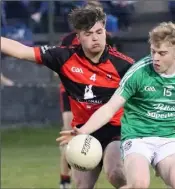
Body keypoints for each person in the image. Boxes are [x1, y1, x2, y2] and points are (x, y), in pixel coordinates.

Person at [57, 22, 175, 189]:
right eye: (153, 52)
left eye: (162, 53)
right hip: (137, 139)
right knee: (138, 185)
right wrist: (83, 131)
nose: (156, 58)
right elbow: (110, 108)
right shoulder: (138, 72)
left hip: (168, 139)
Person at [1, 6, 134, 189]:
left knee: (116, 173)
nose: (95, 38)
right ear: (78, 37)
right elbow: (22, 51)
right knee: (81, 185)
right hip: (81, 132)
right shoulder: (64, 57)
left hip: (116, 130)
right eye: (88, 34)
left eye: (99, 32)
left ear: (105, 32)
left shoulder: (124, 65)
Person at [58, 26, 116, 189]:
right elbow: (59, 65)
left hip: (100, 94)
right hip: (73, 93)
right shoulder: (69, 40)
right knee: (69, 131)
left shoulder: (105, 39)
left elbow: (112, 61)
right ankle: (64, 179)